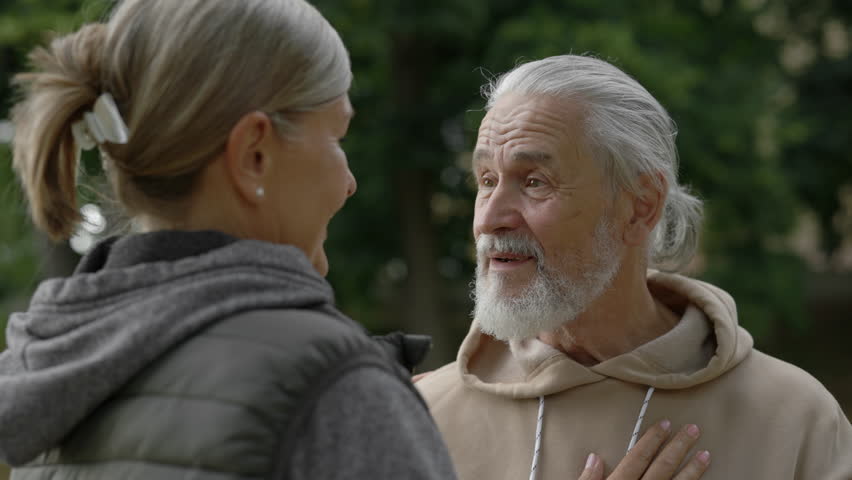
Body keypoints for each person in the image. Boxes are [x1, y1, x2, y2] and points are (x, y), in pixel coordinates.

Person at [0, 2, 710, 480]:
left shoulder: (47, 369)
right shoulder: (328, 388)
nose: (349, 183)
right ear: (254, 156)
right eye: (336, 137)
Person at [416, 54, 852, 480]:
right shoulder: (423, 418)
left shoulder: (795, 419)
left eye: (534, 182)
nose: (489, 219)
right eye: (487, 181)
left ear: (639, 207)